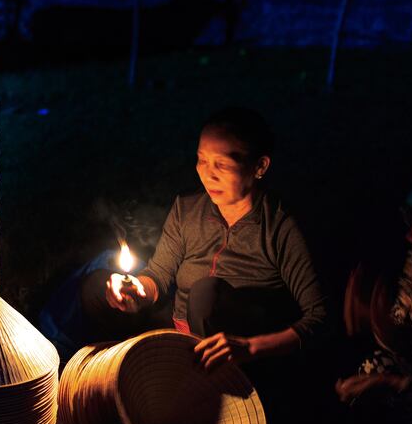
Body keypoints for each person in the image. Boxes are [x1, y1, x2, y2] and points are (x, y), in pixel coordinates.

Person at [106, 107, 327, 369]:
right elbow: (158, 275)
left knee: (204, 294)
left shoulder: (280, 227)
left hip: (240, 358)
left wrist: (250, 347)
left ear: (259, 166)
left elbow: (319, 317)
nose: (208, 174)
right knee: (96, 286)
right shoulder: (187, 209)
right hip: (178, 337)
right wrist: (137, 291)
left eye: (222, 164)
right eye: (202, 160)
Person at [336, 178, 412, 424]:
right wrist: (367, 314)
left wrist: (389, 384)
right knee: (370, 370)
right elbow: (400, 324)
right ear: (411, 236)